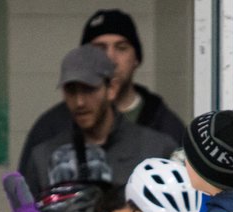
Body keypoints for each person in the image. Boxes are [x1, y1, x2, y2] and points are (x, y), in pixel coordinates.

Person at [17, 8, 186, 188]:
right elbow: (25, 206)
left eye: (121, 48)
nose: (110, 58)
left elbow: (186, 203)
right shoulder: (49, 133)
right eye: (99, 49)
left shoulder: (163, 136)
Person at [18, 45, 176, 212]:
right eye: (71, 91)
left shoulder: (156, 149)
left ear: (112, 88)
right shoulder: (44, 158)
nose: (79, 102)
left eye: (88, 89)